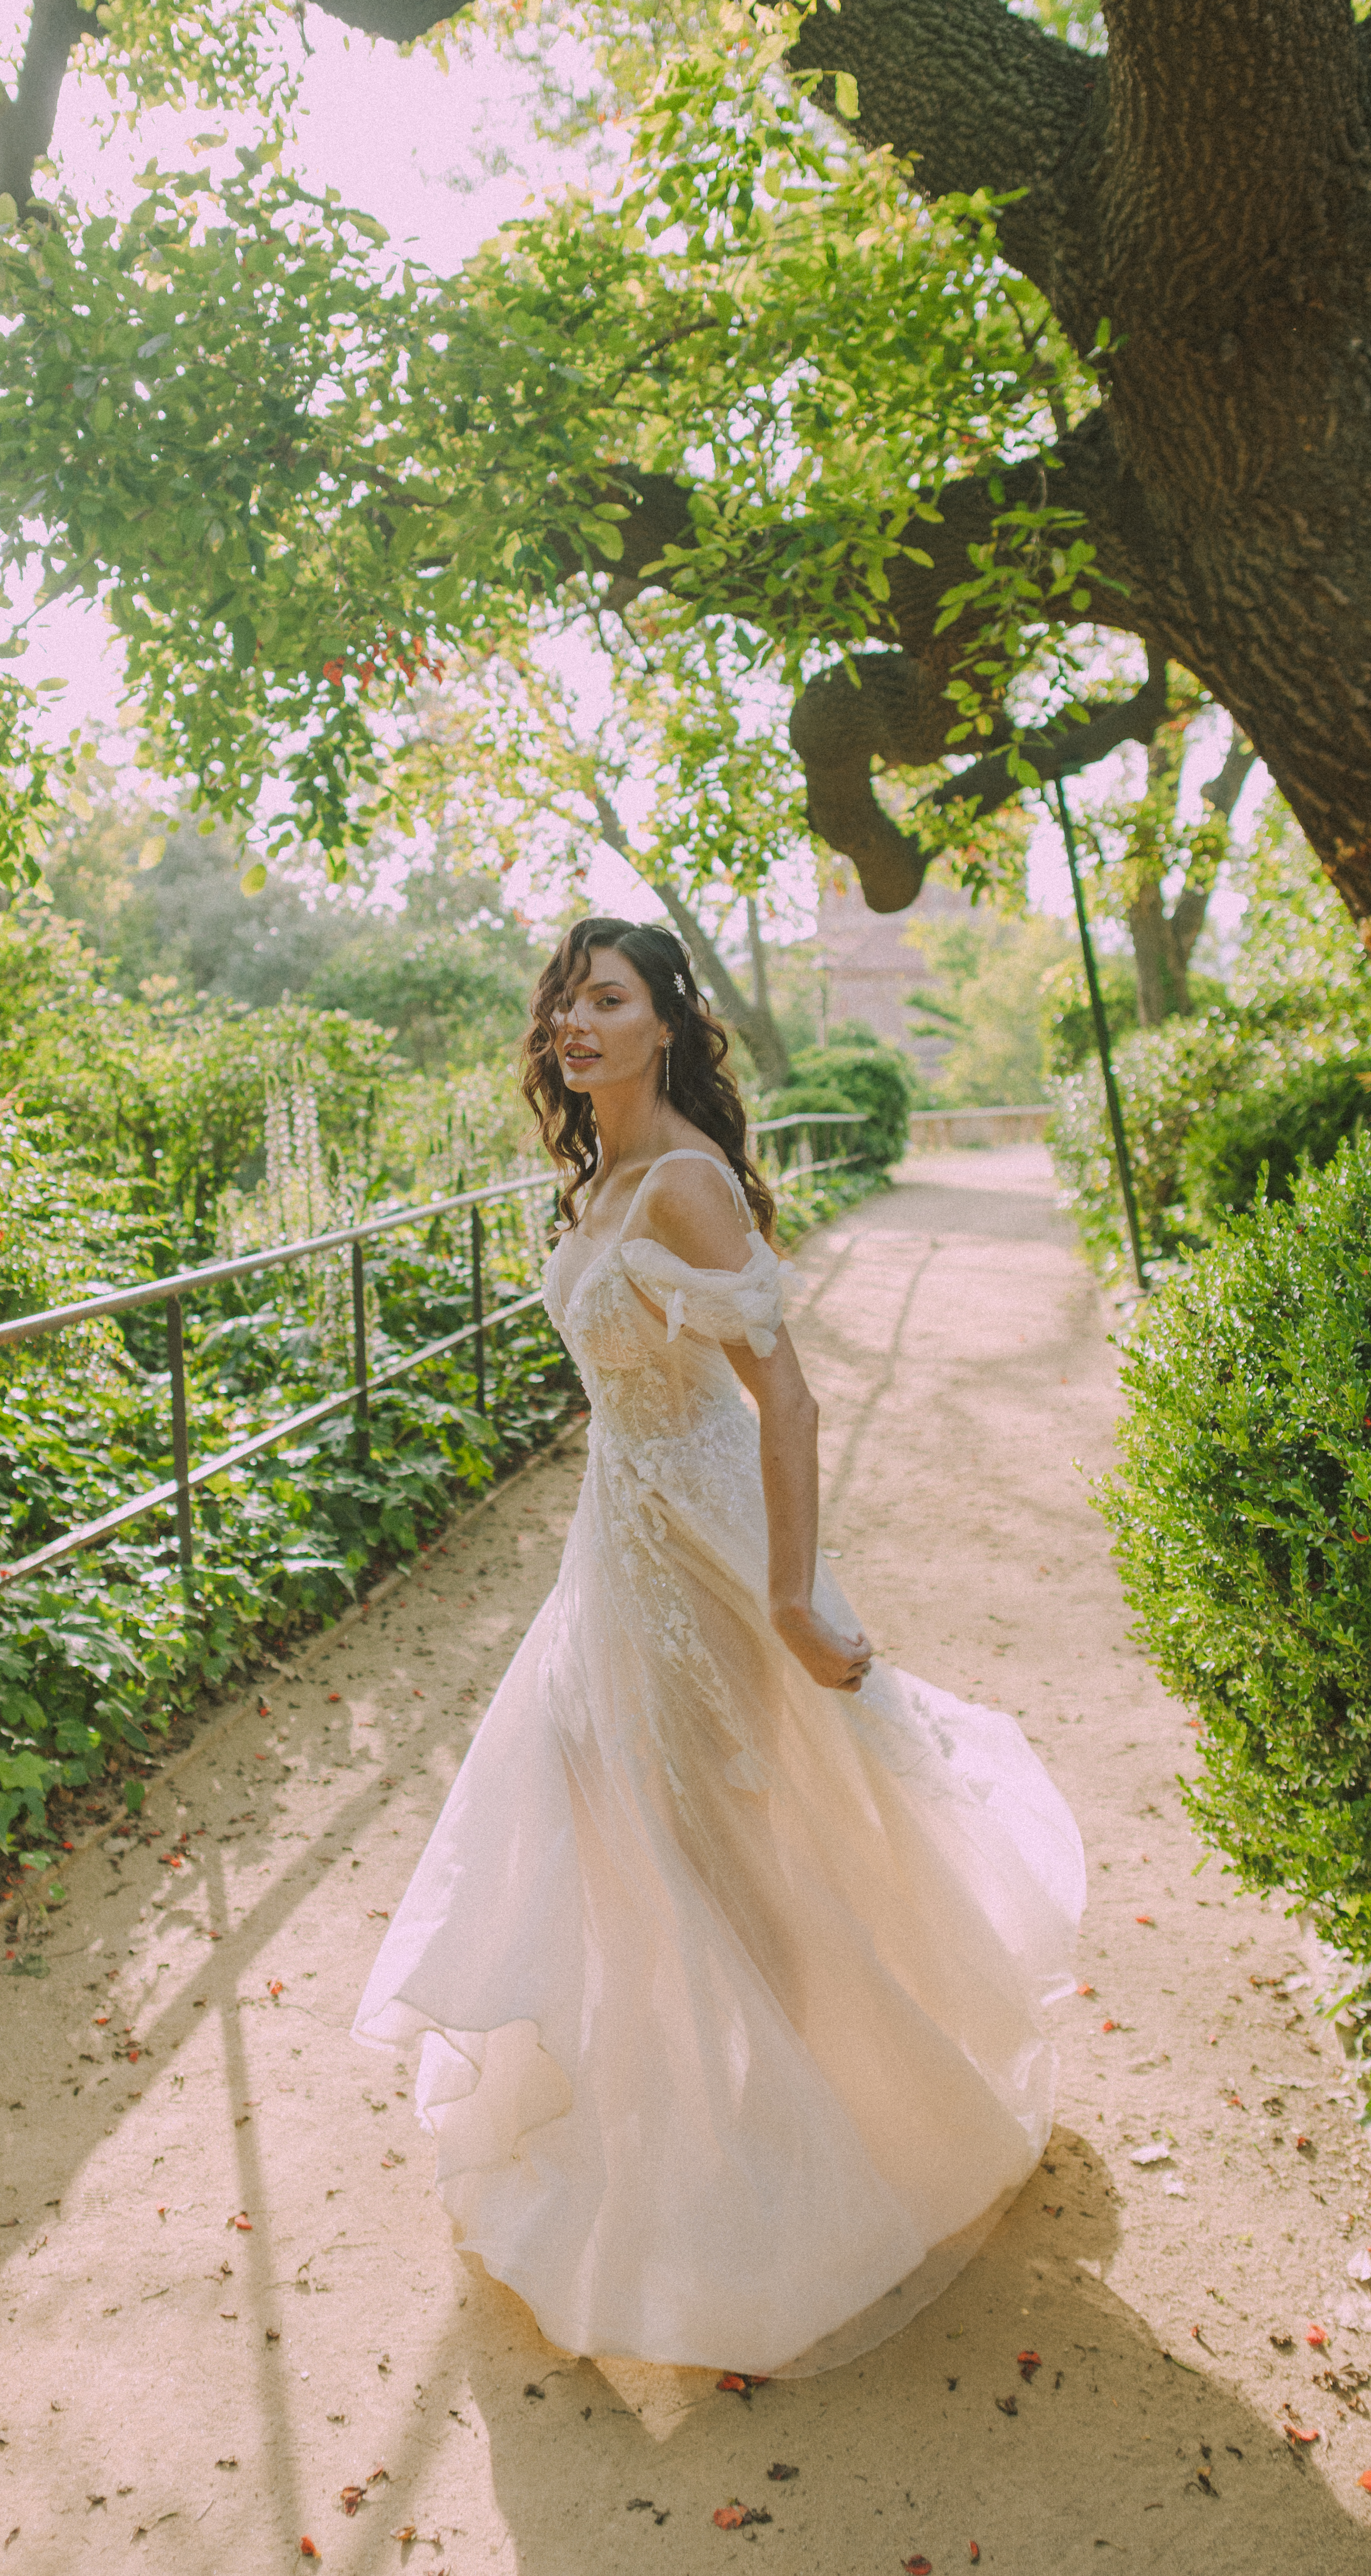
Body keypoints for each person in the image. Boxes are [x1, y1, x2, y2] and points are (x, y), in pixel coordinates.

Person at [353, 916, 1085, 2378]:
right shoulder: (600, 1174)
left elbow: (791, 1403)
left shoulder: (684, 1182)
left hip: (704, 1550)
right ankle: (710, 2083)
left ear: (666, 1025)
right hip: (614, 1543)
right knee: (609, 1801)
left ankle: (821, 2123)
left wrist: (800, 1594)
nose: (577, 1020)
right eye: (566, 998)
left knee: (721, 1839)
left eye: (608, 1000)